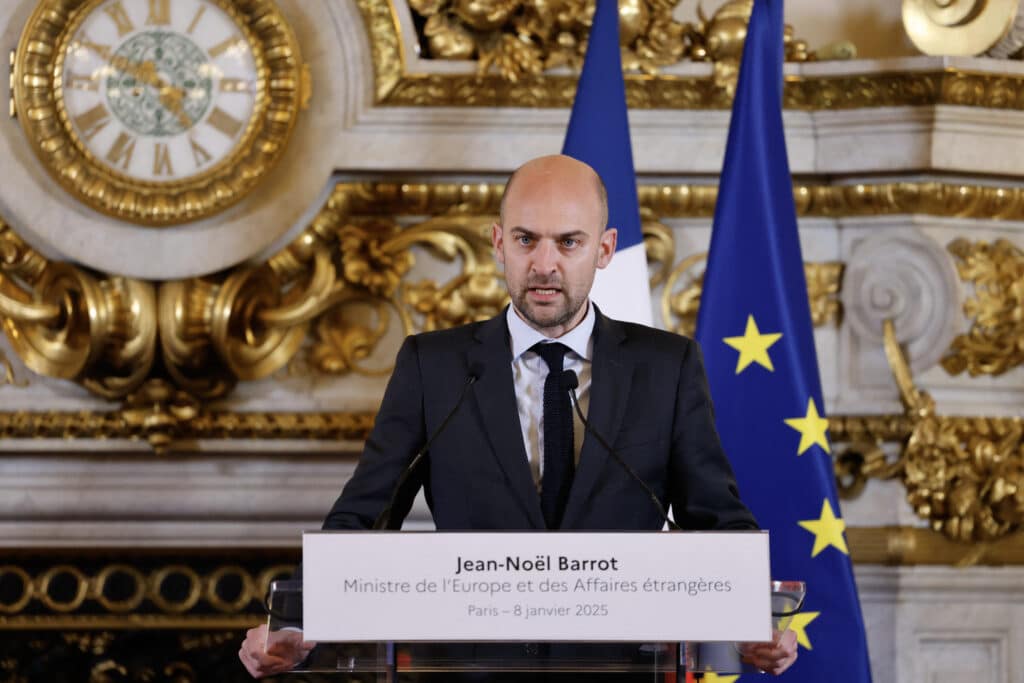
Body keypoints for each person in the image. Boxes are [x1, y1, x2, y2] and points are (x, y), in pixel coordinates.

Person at [239, 155, 798, 678]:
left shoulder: (666, 367)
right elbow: (364, 515)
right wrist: (293, 622)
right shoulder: (433, 366)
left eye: (568, 242)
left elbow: (715, 518)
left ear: (604, 250)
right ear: (499, 244)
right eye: (527, 240)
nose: (545, 264)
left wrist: (753, 618)